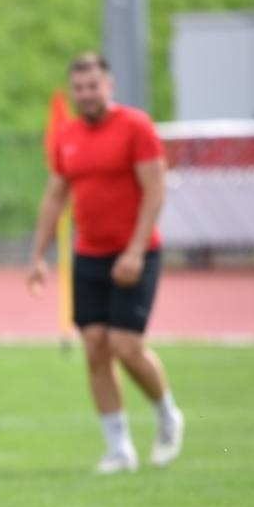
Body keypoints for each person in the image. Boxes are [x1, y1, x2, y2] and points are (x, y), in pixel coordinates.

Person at [27, 51, 185, 473]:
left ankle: (167, 414)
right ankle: (119, 448)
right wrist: (38, 254)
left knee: (126, 346)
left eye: (93, 86)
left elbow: (155, 191)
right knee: (95, 348)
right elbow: (56, 195)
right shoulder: (67, 135)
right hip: (89, 255)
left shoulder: (135, 127)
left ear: (109, 86)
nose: (86, 94)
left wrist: (135, 251)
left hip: (136, 251)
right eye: (79, 88)